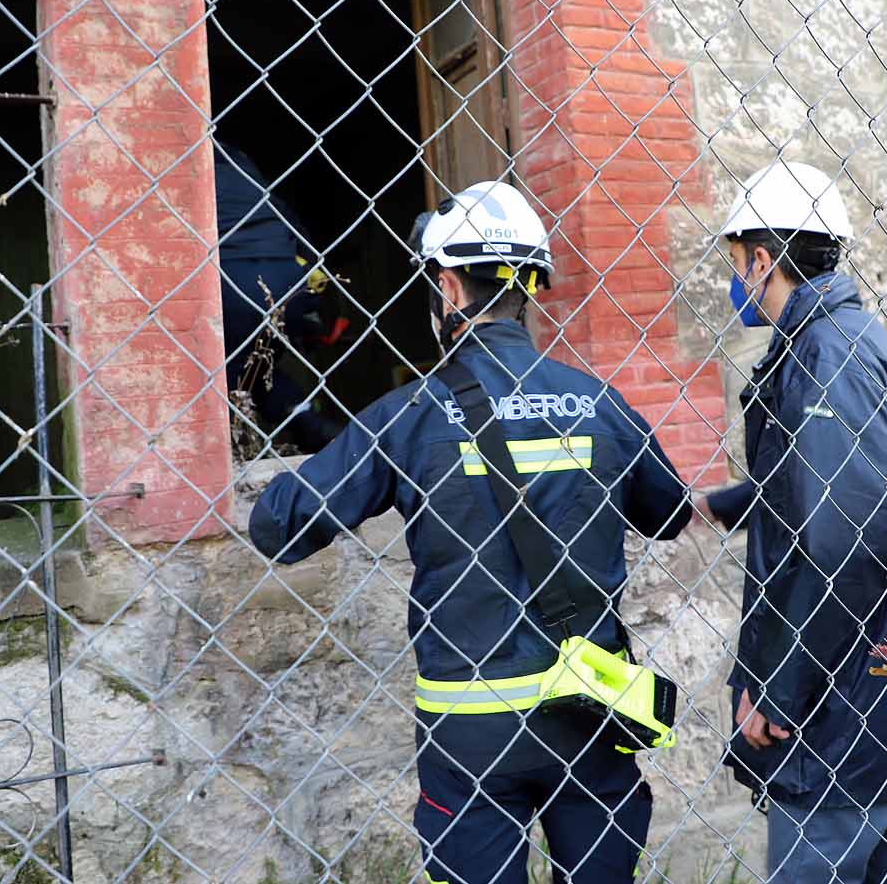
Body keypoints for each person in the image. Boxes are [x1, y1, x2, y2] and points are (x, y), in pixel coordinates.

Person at [249, 181, 692, 884]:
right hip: (589, 716)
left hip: (472, 734)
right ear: (529, 288)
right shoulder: (600, 403)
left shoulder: (409, 416)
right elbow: (669, 514)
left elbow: (277, 526)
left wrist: (318, 434)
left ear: (449, 286)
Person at [693, 160, 887, 884]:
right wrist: (724, 503)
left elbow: (855, 533)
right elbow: (826, 482)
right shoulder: (847, 340)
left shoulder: (825, 358)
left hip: (838, 716)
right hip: (880, 698)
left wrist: (777, 687)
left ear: (764, 260)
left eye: (737, 263)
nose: (734, 281)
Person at [214, 141, 345, 452]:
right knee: (259, 369)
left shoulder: (183, 173)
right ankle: (308, 423)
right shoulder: (250, 177)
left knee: (228, 370)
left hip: (226, 280)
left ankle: (225, 453)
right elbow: (305, 246)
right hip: (285, 284)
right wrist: (315, 314)